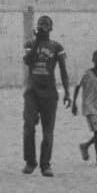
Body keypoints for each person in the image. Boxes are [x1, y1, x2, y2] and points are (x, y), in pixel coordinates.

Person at [21, 14, 72, 176]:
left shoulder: (56, 47)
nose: (43, 26)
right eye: (41, 24)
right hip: (32, 92)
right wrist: (37, 41)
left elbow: (63, 71)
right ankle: (30, 162)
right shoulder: (30, 44)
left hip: (49, 93)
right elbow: (28, 61)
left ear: (51, 28)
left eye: (46, 24)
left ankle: (45, 164)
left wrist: (67, 92)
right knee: (29, 125)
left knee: (48, 130)